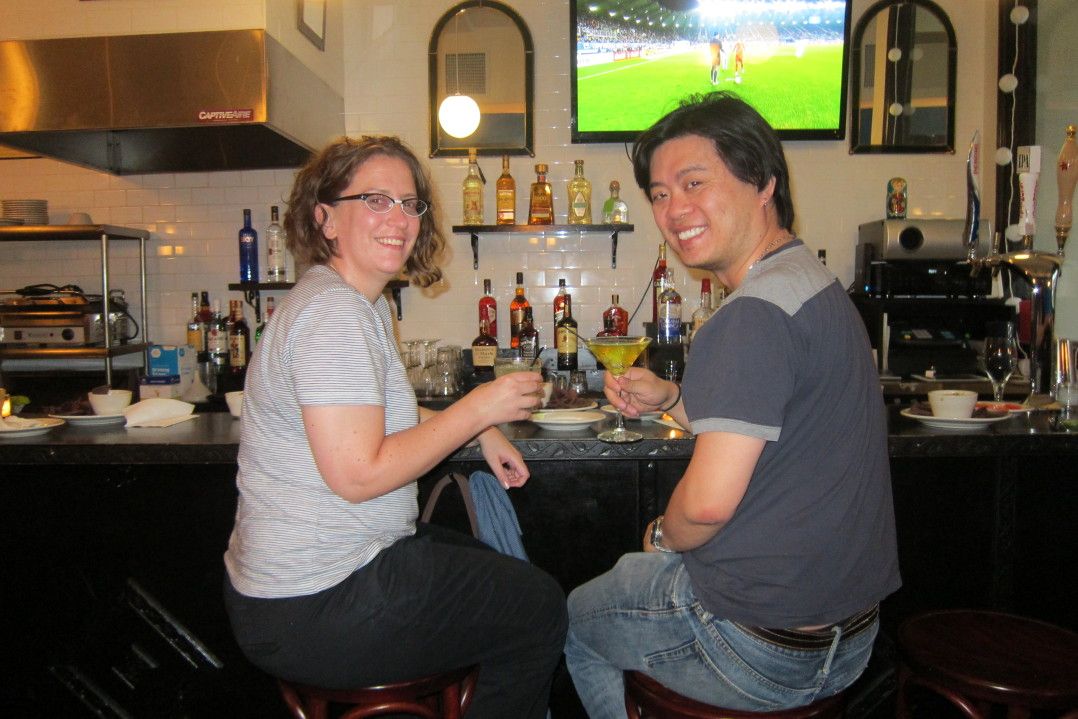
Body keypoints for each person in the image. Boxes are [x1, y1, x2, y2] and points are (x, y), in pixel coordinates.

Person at [565, 92, 900, 716]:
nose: (673, 209)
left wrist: (663, 535)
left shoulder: (749, 316)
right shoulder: (814, 286)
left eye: (694, 182)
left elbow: (710, 504)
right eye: (660, 194)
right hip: (851, 638)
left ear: (762, 182)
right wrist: (672, 399)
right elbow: (774, 426)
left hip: (757, 647)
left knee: (578, 622)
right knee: (625, 578)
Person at [223, 135, 567, 719]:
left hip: (316, 580)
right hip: (319, 600)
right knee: (539, 608)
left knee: (503, 577)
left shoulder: (356, 303)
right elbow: (359, 475)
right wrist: (480, 408)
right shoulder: (332, 313)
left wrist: (478, 432)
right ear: (325, 217)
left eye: (410, 204)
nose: (399, 219)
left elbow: (378, 420)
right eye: (376, 200)